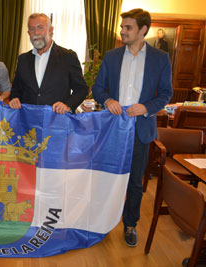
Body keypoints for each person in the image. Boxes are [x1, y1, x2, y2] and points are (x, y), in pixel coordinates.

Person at [92, 8, 173, 247]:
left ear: (143, 30)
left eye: (128, 27)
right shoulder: (111, 56)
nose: (122, 31)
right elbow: (98, 88)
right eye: (122, 27)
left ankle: (130, 224)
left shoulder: (160, 59)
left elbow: (166, 93)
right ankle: (102, 221)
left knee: (136, 182)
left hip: (140, 130)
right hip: (112, 130)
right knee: (106, 177)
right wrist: (108, 100)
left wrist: (146, 107)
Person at [9, 13, 87, 115]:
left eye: (40, 27)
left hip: (57, 121)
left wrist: (68, 105)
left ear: (50, 30)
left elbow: (81, 89)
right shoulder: (23, 59)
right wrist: (14, 99)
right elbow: (16, 90)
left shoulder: (68, 57)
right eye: (32, 29)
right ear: (28, 33)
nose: (36, 32)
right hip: (28, 122)